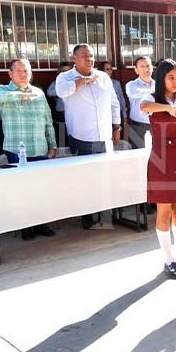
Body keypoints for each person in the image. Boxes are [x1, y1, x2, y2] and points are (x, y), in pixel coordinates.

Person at [140, 59, 176, 280]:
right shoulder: (152, 99)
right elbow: (144, 108)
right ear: (162, 78)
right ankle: (168, 260)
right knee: (164, 210)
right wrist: (168, 108)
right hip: (161, 157)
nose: (175, 82)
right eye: (171, 77)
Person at [0, 59, 57, 240]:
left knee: (40, 188)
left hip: (39, 147)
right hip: (16, 150)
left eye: (26, 71)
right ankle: (25, 225)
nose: (23, 74)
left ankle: (41, 223)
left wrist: (52, 144)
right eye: (19, 71)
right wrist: (19, 95)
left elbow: (48, 120)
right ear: (10, 74)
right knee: (21, 189)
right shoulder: (4, 91)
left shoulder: (38, 93)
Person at [55, 44, 122, 230]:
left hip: (104, 136)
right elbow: (61, 92)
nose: (89, 59)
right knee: (85, 179)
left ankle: (104, 212)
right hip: (82, 136)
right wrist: (81, 82)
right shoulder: (65, 77)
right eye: (84, 56)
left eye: (91, 55)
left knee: (105, 176)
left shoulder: (103, 77)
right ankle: (87, 215)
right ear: (74, 58)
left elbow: (114, 102)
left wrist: (117, 125)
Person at [126, 56, 155, 149]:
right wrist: (154, 91)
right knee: (138, 154)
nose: (146, 69)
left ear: (152, 68)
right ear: (136, 70)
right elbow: (134, 93)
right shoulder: (131, 85)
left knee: (158, 154)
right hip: (138, 126)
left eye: (148, 66)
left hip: (156, 124)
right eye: (142, 67)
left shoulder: (158, 84)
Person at [46, 62, 71, 146]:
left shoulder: (76, 82)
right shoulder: (57, 83)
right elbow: (49, 92)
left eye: (68, 70)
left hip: (73, 113)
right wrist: (64, 89)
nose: (66, 73)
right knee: (62, 135)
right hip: (61, 113)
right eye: (63, 71)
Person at [98, 60, 127, 127]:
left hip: (116, 115)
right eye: (107, 69)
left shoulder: (116, 83)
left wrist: (124, 115)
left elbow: (121, 100)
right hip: (103, 117)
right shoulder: (96, 84)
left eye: (111, 69)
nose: (110, 71)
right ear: (101, 71)